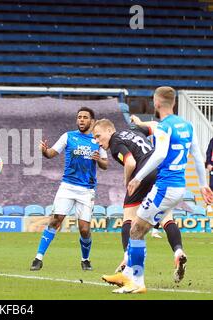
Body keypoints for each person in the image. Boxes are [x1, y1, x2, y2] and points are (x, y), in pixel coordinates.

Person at [103, 86, 213, 294]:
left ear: (156, 102)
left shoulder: (164, 126)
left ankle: (137, 281)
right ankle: (130, 276)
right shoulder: (187, 125)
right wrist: (202, 184)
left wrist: (138, 177)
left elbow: (160, 154)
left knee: (135, 230)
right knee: (141, 228)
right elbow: (198, 157)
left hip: (164, 187)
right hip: (179, 187)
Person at [92, 119, 187, 281]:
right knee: (166, 218)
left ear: (109, 130)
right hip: (159, 170)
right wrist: (141, 122)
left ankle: (127, 262)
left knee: (128, 218)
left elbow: (130, 163)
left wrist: (128, 181)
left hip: (144, 173)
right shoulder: (135, 130)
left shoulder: (115, 141)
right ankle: (179, 252)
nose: (97, 141)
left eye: (98, 136)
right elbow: (156, 125)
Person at [30, 107, 108, 272]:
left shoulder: (97, 140)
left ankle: (85, 260)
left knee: (84, 229)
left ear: (92, 121)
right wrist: (44, 151)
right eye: (79, 117)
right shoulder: (68, 136)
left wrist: (98, 160)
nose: (81, 120)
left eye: (85, 117)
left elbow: (105, 164)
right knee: (55, 220)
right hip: (67, 186)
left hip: (87, 190)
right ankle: (38, 258)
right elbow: (51, 153)